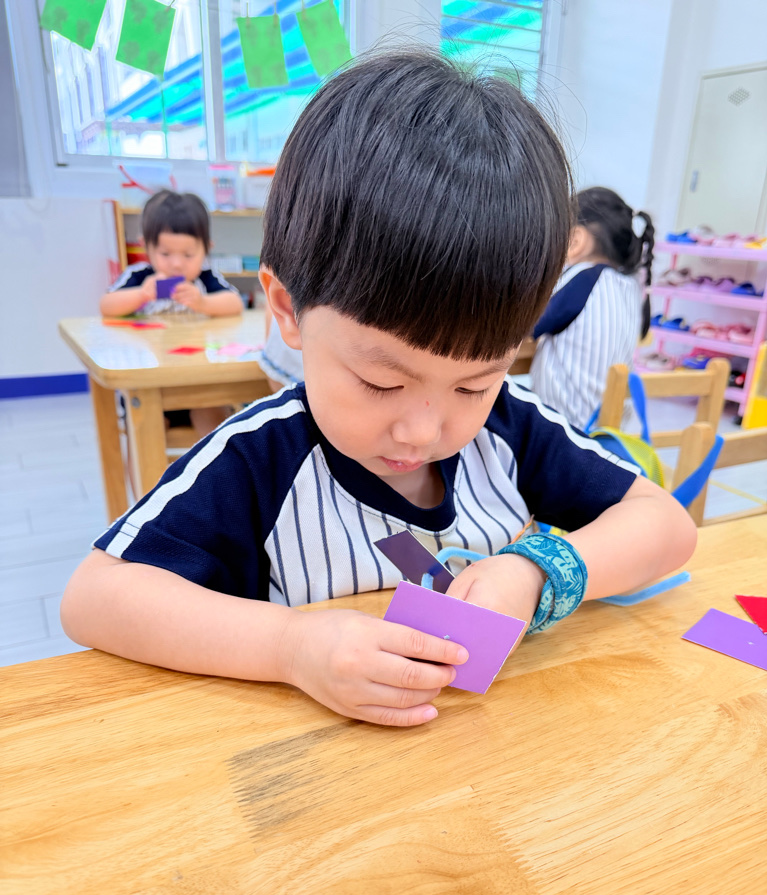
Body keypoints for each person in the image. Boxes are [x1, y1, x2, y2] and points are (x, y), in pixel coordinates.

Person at [62, 52, 696, 729]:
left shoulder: (512, 428)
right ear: (288, 310)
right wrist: (290, 645)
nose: (423, 431)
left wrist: (537, 571)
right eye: (380, 381)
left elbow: (668, 526)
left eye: (474, 384)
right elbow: (93, 598)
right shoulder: (259, 459)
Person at [101, 190, 244, 436]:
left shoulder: (204, 279)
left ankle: (215, 461)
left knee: (216, 418)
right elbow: (106, 306)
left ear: (206, 249)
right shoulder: (140, 277)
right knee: (143, 427)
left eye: (188, 255)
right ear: (146, 246)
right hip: (149, 382)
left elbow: (235, 303)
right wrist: (141, 295)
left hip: (199, 381)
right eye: (165, 254)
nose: (177, 264)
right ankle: (146, 462)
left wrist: (203, 303)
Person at [529, 187, 655, 429]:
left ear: (576, 240)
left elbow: (525, 325)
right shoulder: (629, 286)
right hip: (607, 431)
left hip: (564, 429)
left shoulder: (585, 277)